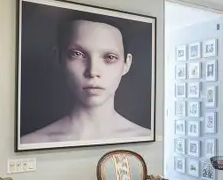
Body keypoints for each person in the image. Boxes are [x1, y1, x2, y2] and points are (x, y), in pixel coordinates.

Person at [21, 13, 150, 144]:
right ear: (58, 59)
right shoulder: (30, 143)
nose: (92, 72)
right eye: (77, 54)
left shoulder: (149, 139)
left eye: (110, 57)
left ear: (126, 64)